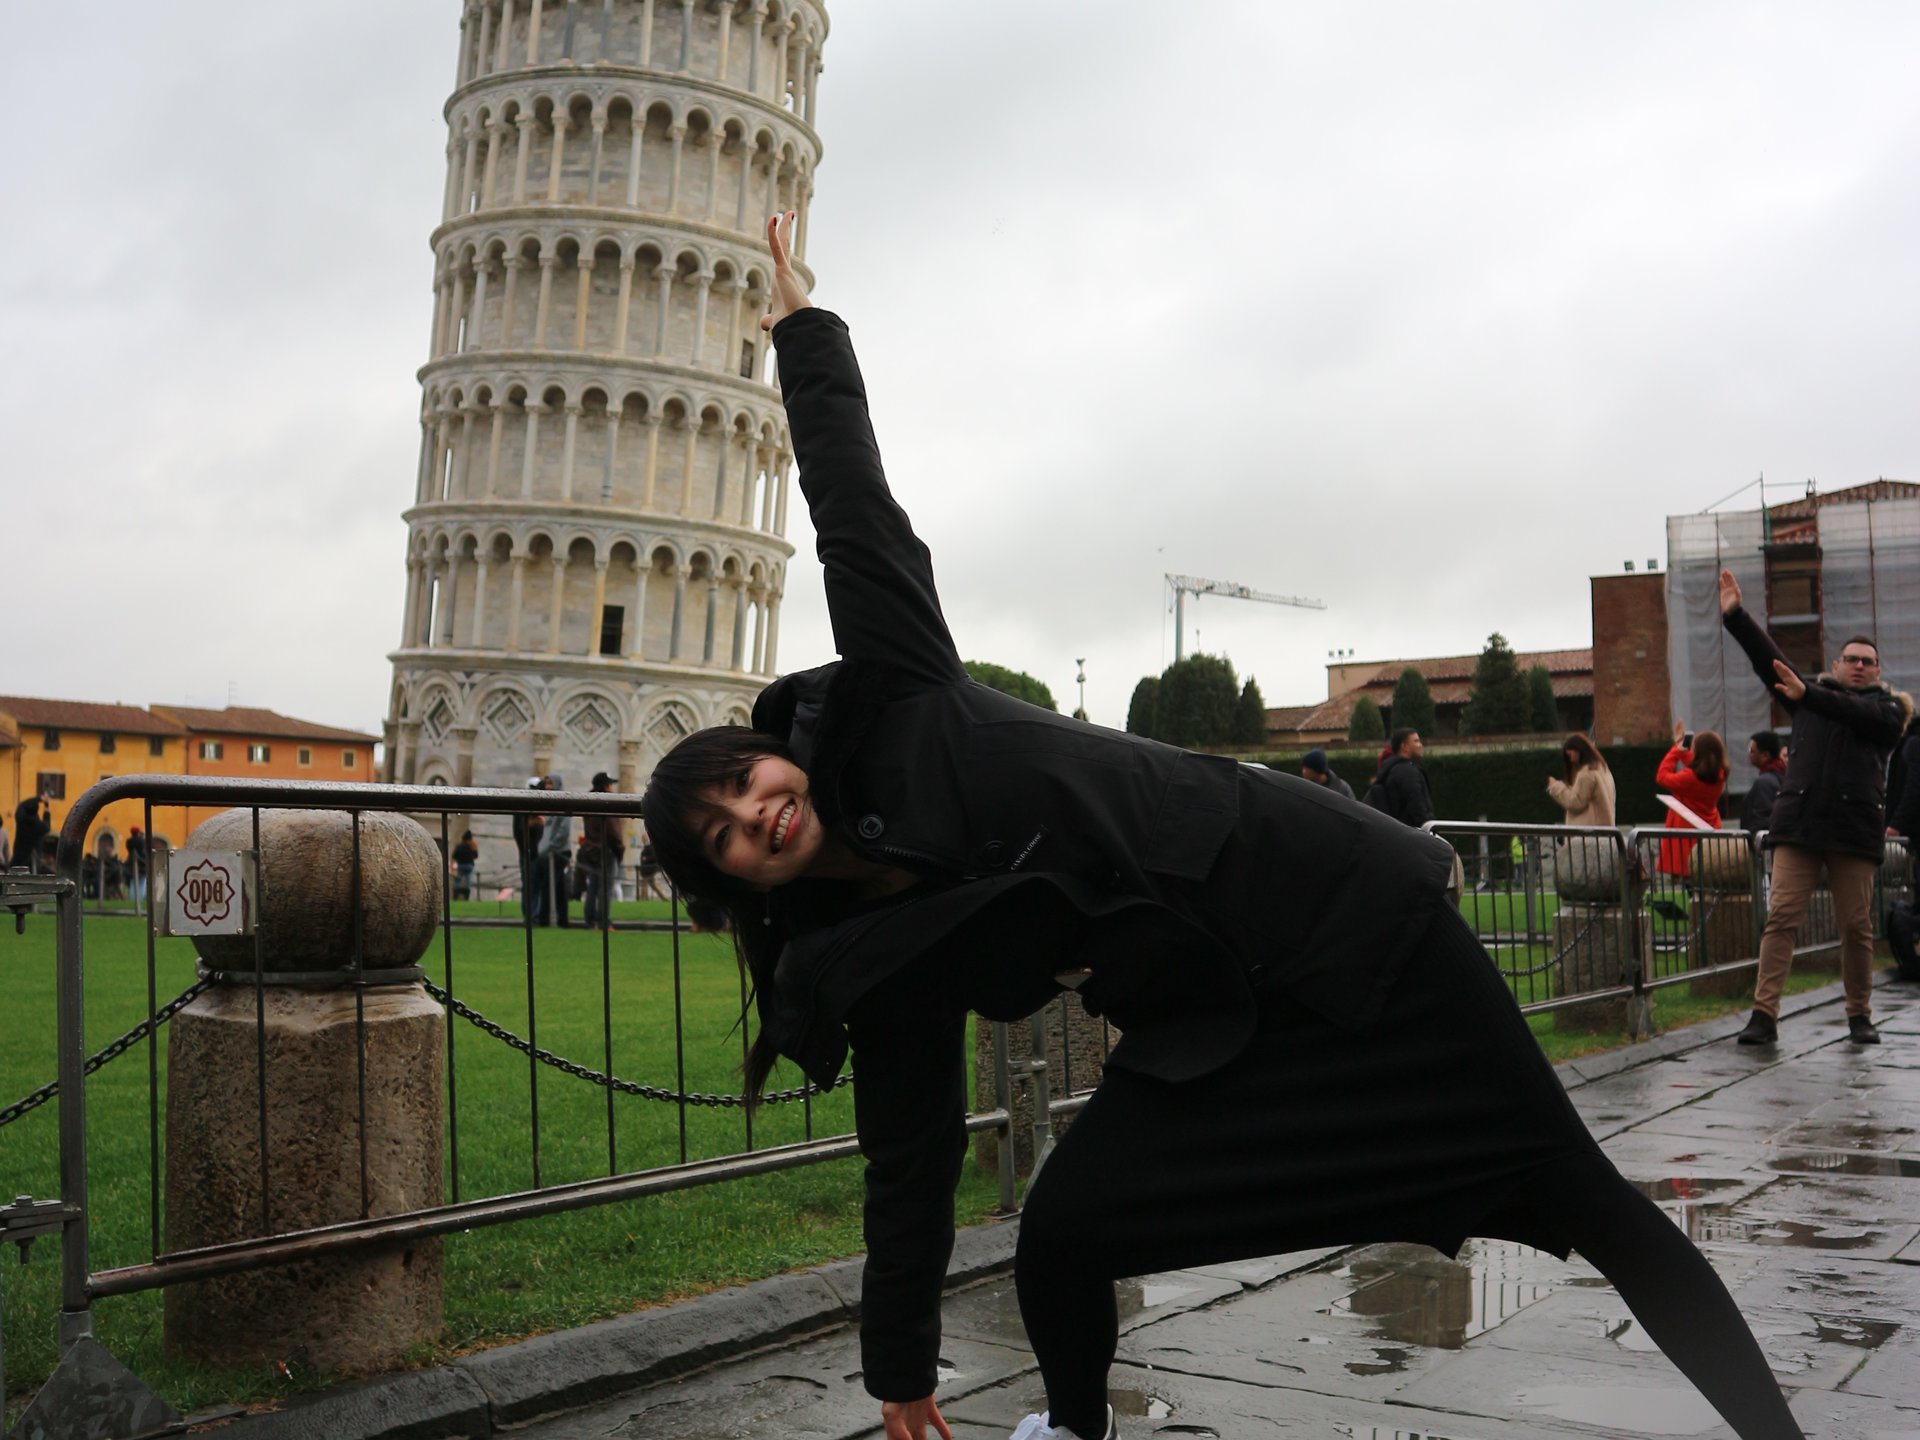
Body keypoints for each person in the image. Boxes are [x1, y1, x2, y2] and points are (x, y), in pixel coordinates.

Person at [636, 214, 1805, 1440]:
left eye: (743, 778)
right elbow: (910, 1156)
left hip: (1333, 903)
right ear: (732, 879)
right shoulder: (862, 961)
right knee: (1067, 1230)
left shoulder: (902, 697)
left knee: (1588, 1201)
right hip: (1211, 1012)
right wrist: (900, 1371)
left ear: (774, 750)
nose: (754, 814)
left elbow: (853, 512)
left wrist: (805, 337)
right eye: (719, 832)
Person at [1718, 569, 1909, 1047]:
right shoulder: (1806, 699)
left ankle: (1859, 1014)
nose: (1860, 666)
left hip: (1853, 831)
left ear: (1878, 671)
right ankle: (1764, 1015)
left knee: (1856, 927)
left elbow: (1854, 712)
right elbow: (1771, 663)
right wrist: (1737, 618)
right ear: (1836, 663)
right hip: (1799, 826)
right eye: (1852, 659)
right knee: (1781, 918)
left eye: (1869, 661)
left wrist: (1813, 694)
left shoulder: (1887, 713)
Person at [1545, 732, 1616, 900]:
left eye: (1571, 752)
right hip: (1604, 833)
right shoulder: (1602, 769)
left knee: (1583, 883)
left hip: (1586, 835)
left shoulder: (1586, 773)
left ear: (1579, 750)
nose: (1570, 758)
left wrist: (1556, 787)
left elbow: (1575, 802)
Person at [1655, 721, 1728, 878]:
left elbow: (1662, 777)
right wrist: (1682, 750)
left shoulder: (1689, 778)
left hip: (1684, 833)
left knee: (1687, 880)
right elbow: (1699, 767)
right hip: (1708, 828)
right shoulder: (1719, 774)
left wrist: (1675, 751)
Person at [578, 772, 627, 929]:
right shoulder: (606, 803)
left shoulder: (588, 803)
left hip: (592, 851)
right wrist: (619, 850)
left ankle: (590, 919)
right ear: (606, 786)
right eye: (610, 784)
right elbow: (614, 832)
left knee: (593, 887)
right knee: (605, 889)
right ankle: (604, 922)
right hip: (606, 851)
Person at [1366, 728, 1433, 828]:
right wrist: (1428, 826)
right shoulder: (1407, 772)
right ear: (1404, 746)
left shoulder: (1390, 769)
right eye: (1416, 741)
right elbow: (1417, 807)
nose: (1420, 745)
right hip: (1412, 835)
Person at [538, 774, 573, 927]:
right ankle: (562, 920)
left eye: (551, 784)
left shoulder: (563, 803)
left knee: (549, 885)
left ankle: (544, 920)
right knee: (558, 888)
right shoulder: (549, 804)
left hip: (558, 852)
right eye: (547, 784)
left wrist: (550, 846)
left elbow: (563, 831)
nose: (548, 787)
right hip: (549, 851)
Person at [512, 778, 547, 923]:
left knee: (531, 885)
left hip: (530, 851)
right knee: (531, 886)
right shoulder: (524, 807)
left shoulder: (523, 806)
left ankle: (531, 915)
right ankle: (531, 916)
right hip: (530, 852)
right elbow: (521, 828)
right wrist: (536, 821)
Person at [1742, 731, 1788, 838]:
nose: (1749, 754)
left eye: (1752, 751)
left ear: (1765, 755)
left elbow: (1762, 818)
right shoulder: (1783, 775)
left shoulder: (1764, 782)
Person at [452, 830, 479, 901]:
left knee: (457, 881)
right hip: (469, 865)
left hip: (460, 865)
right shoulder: (472, 846)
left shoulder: (459, 846)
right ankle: (466, 898)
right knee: (468, 882)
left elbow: (454, 856)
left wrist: (453, 867)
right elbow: (476, 856)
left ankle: (456, 897)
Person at [125, 826, 148, 907]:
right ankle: (140, 898)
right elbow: (143, 850)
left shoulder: (128, 841)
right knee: (141, 883)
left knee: (132, 883)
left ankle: (132, 898)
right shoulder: (141, 841)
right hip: (141, 864)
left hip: (131, 864)